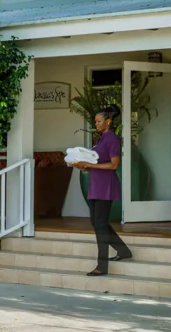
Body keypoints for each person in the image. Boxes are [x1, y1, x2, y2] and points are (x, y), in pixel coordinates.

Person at [67, 104, 132, 276]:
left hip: (106, 186)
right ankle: (123, 250)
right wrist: (80, 166)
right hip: (96, 185)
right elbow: (94, 165)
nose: (96, 124)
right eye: (95, 121)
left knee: (100, 224)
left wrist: (88, 164)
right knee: (97, 223)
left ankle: (102, 266)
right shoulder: (102, 139)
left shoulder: (112, 139)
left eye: (98, 121)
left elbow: (114, 164)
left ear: (108, 122)